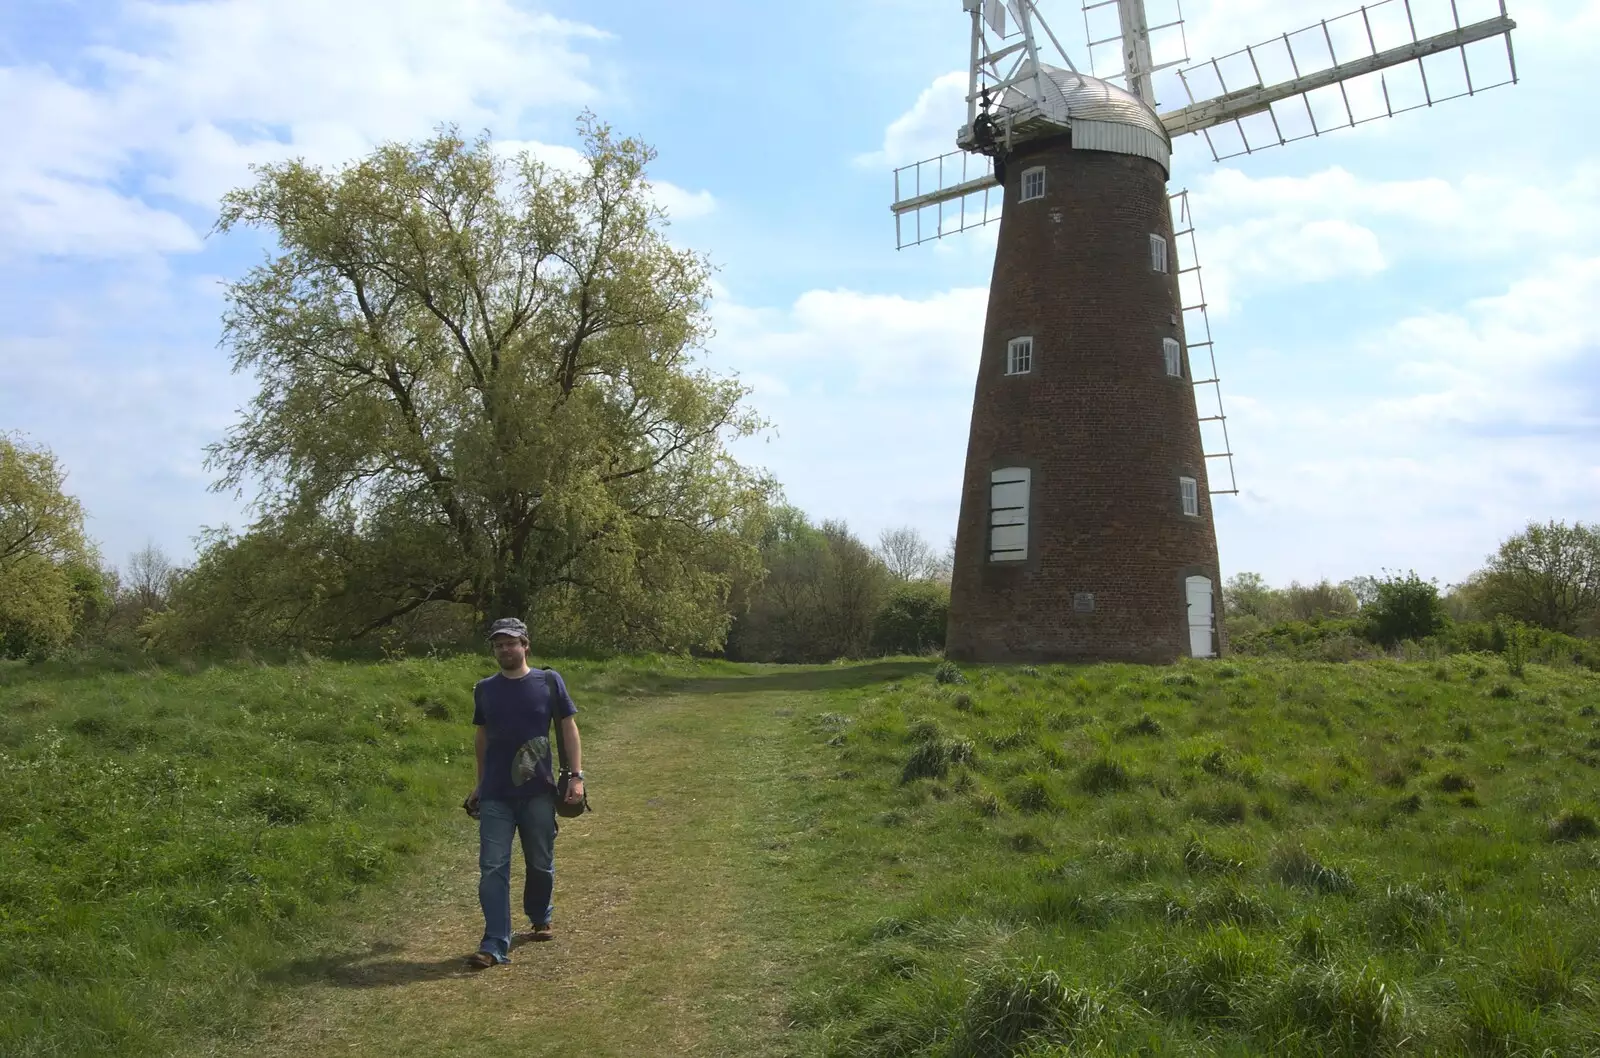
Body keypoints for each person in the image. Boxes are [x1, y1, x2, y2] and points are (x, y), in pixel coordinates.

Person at [464, 617, 584, 968]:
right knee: (492, 867)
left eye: (511, 643)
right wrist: (480, 782)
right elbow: (482, 736)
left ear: (525, 645)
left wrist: (575, 776)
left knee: (540, 863)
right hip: (496, 794)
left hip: (539, 792)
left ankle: (539, 913)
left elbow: (568, 726)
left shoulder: (548, 681)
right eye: (499, 644)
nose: (505, 649)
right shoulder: (484, 689)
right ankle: (494, 942)